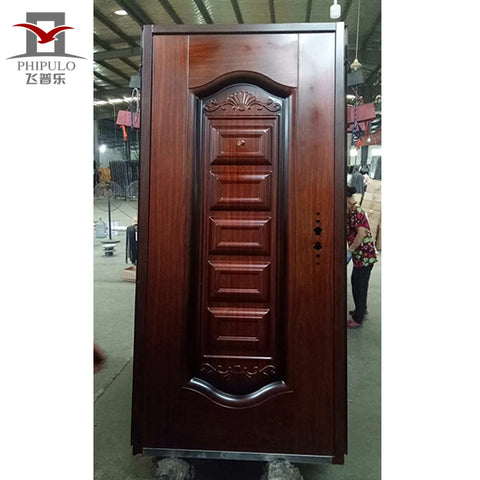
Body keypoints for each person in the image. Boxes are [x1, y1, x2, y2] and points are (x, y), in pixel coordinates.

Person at [346, 185, 378, 328]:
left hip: (364, 256)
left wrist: (351, 250)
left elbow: (362, 233)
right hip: (362, 256)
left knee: (359, 285)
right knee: (359, 283)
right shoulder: (353, 210)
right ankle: (361, 310)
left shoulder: (356, 211)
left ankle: (358, 319)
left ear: (346, 199)